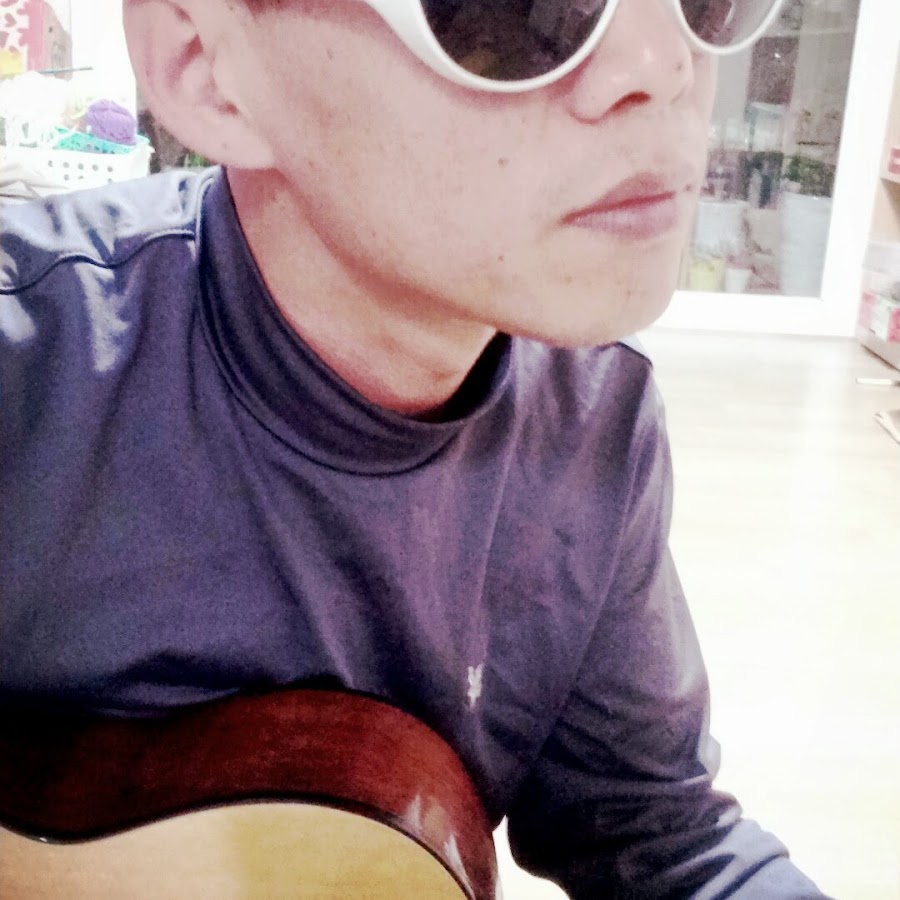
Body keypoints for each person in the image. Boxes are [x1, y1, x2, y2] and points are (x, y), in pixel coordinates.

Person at [0, 0, 829, 896]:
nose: (663, 64)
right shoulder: (31, 371)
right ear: (205, 63)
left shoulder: (592, 416)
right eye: (517, 9)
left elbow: (655, 836)